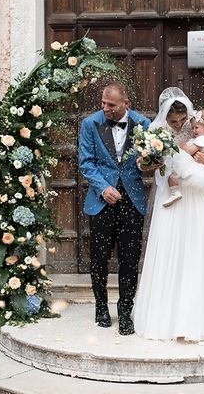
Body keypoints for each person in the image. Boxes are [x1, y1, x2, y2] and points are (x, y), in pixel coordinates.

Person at [133, 88, 204, 341]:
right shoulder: (155, 131)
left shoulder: (196, 128)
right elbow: (141, 164)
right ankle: (164, 318)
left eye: (183, 120)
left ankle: (191, 318)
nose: (180, 125)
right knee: (169, 248)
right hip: (170, 195)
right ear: (165, 117)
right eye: (175, 122)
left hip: (194, 196)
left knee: (194, 252)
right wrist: (152, 162)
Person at [78, 82, 152, 335]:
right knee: (99, 258)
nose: (105, 108)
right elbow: (86, 163)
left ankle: (125, 311)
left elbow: (148, 162)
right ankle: (100, 306)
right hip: (101, 202)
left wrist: (148, 163)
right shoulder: (90, 124)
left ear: (125, 104)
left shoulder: (144, 125)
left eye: (111, 105)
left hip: (132, 201)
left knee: (129, 260)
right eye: (103, 103)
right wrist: (102, 187)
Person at [162, 109, 204, 207]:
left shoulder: (202, 140)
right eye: (192, 127)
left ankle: (174, 193)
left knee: (173, 175)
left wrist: (183, 146)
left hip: (198, 167)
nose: (193, 131)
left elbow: (188, 152)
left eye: (196, 127)